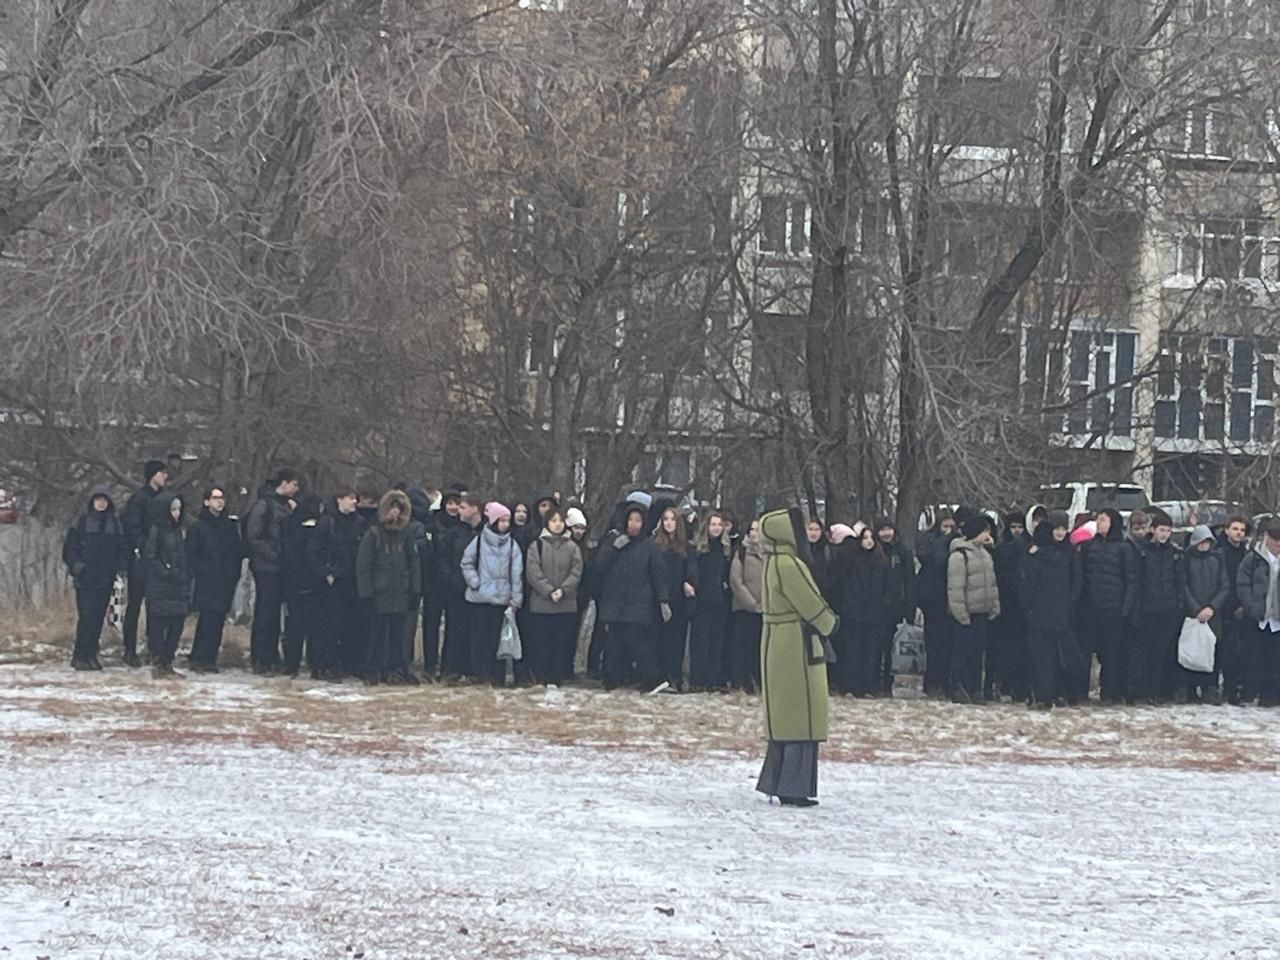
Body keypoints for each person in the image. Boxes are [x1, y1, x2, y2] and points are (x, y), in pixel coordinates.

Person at [754, 507, 840, 808]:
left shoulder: (772, 562)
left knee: (784, 716)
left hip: (779, 641)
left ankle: (777, 781)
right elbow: (809, 603)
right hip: (796, 642)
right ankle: (794, 787)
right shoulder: (789, 564)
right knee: (802, 716)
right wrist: (830, 623)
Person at [595, 502, 669, 691]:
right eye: (631, 520)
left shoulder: (649, 546)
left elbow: (658, 575)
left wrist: (663, 600)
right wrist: (614, 548)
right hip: (614, 602)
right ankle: (610, 680)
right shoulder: (614, 541)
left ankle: (652, 678)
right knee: (613, 642)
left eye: (638, 521)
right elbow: (599, 566)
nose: (634, 524)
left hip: (639, 603)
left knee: (636, 642)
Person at [356, 489, 421, 685]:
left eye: (399, 509)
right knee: (376, 634)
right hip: (379, 593)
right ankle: (373, 669)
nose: (395, 512)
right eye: (392, 508)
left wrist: (415, 590)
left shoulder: (407, 535)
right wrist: (366, 594)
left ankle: (396, 669)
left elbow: (414, 563)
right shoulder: (373, 534)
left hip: (401, 592)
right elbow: (363, 566)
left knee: (398, 635)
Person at [62, 483, 130, 670]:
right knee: (86, 616)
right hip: (85, 579)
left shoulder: (115, 524)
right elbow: (69, 550)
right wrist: (78, 568)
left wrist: (120, 568)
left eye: (104, 500)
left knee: (98, 617)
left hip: (106, 579)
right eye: (98, 499)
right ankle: (80, 655)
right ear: (92, 501)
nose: (101, 503)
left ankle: (91, 654)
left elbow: (122, 549)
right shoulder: (82, 522)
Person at [1021, 511, 1083, 709]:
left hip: (1040, 614)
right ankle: (1059, 693)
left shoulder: (1035, 558)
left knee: (1042, 657)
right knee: (1057, 656)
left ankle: (1045, 695)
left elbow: (1028, 588)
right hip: (1060, 614)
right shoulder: (1060, 558)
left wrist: (1027, 609)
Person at [461, 502, 523, 686]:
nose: (505, 524)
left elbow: (517, 573)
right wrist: (475, 582)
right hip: (480, 599)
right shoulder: (479, 541)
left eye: (507, 521)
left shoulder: (512, 544)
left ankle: (497, 677)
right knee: (480, 638)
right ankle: (479, 674)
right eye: (502, 520)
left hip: (502, 599)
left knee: (498, 639)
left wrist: (516, 598)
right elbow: (466, 562)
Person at [244, 468, 299, 675]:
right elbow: (254, 536)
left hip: (282, 567)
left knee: (276, 614)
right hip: (266, 567)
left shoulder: (286, 506)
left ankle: (272, 656)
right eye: (294, 484)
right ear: (283, 483)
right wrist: (274, 554)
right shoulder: (264, 505)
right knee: (265, 612)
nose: (296, 489)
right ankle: (260, 658)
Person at [1079, 508, 1134, 704]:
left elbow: (1130, 580)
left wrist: (1125, 608)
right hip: (1090, 608)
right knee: (1085, 651)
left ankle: (1108, 692)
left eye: (1103, 520)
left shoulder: (1123, 548)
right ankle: (1081, 692)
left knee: (1110, 653)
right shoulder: (1089, 546)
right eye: (1098, 520)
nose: (1099, 524)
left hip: (1113, 608)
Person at [186, 487, 243, 673]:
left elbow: (237, 552)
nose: (220, 501)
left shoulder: (229, 527)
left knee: (218, 620)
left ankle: (210, 658)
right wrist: (204, 571)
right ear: (206, 501)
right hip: (207, 580)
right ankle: (198, 658)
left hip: (226, 580)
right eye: (215, 498)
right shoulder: (198, 527)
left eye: (222, 498)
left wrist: (234, 574)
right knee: (206, 619)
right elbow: (191, 555)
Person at [1129, 510, 1183, 705]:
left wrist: (1177, 603)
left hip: (1168, 609)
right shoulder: (1142, 551)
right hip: (1147, 609)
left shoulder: (1174, 553)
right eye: (1161, 530)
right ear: (1153, 530)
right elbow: (1137, 581)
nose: (1165, 534)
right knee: (1143, 651)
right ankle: (1140, 690)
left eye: (1168, 531)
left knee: (1161, 652)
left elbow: (1179, 581)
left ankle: (1156, 690)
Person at [525, 507, 583, 685]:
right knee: (542, 643)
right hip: (542, 604)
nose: (557, 524)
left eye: (560, 521)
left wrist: (563, 590)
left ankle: (558, 676)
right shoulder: (537, 545)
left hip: (565, 604)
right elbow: (533, 571)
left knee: (561, 643)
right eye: (553, 521)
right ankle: (542, 675)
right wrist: (548, 590)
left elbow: (576, 571)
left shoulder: (572, 547)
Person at [946, 513, 1000, 704]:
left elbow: (992, 583)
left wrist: (994, 606)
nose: (987, 535)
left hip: (982, 611)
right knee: (962, 652)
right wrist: (961, 613)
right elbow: (955, 587)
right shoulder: (959, 556)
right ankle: (958, 686)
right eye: (984, 532)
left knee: (978, 653)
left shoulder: (985, 553)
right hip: (967, 612)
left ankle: (975, 688)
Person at [835, 525, 895, 698]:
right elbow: (843, 582)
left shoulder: (882, 562)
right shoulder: (853, 560)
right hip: (854, 612)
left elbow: (889, 586)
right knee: (853, 650)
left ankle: (867, 686)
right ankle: (849, 686)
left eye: (871, 538)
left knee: (871, 652)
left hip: (875, 613)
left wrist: (884, 603)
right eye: (865, 538)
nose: (868, 541)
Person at [120, 459, 169, 667]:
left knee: (156, 605)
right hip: (140, 558)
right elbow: (131, 528)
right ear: (152, 475)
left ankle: (154, 648)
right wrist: (144, 546)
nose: (165, 476)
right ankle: (129, 649)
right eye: (161, 473)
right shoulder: (139, 499)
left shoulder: (166, 498)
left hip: (160, 558)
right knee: (135, 604)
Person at [317, 488, 370, 678]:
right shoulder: (328, 522)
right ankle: (329, 664)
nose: (354, 502)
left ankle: (353, 663)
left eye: (355, 498)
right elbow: (315, 550)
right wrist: (327, 572)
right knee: (333, 624)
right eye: (350, 498)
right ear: (339, 500)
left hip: (355, 579)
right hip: (336, 580)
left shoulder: (360, 522)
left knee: (355, 623)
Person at [1180, 525, 1229, 704]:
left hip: (1212, 614)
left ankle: (1210, 688)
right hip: (1192, 613)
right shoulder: (1186, 560)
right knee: (1191, 650)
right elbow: (1184, 585)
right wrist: (1195, 609)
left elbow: (1224, 585)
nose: (1203, 545)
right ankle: (1190, 689)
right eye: (1200, 542)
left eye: (1207, 542)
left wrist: (1212, 607)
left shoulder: (1217, 559)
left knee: (1212, 650)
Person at [143, 494, 190, 679]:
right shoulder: (157, 530)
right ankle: (159, 662)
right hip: (160, 585)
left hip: (178, 585)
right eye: (173, 510)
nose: (176, 513)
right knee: (158, 626)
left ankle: (167, 662)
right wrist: (165, 571)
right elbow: (151, 556)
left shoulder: (180, 531)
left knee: (176, 626)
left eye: (179, 509)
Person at [281, 494, 328, 678]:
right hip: (314, 584)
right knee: (316, 627)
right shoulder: (318, 530)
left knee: (294, 626)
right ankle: (316, 665)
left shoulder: (291, 527)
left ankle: (291, 665)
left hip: (293, 584)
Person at [1235, 518, 1280, 707]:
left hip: (1277, 618)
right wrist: (1251, 606)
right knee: (1254, 656)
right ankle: (1249, 691)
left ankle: (1272, 694)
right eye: (1275, 540)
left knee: (1275, 658)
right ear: (1266, 537)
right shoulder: (1253, 558)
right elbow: (1242, 584)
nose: (1278, 545)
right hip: (1257, 616)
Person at [421, 485, 464, 678]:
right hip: (433, 582)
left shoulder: (462, 526)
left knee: (453, 626)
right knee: (431, 625)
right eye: (450, 503)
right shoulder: (432, 523)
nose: (453, 507)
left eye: (457, 504)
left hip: (455, 582)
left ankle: (449, 665)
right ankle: (430, 665)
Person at [440, 493, 484, 681]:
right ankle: (452, 669)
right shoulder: (454, 533)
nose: (459, 510)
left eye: (463, 507)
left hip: (481, 590)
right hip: (457, 589)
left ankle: (476, 669)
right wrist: (450, 577)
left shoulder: (486, 532)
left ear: (475, 509)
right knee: (455, 630)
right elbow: (443, 556)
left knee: (477, 631)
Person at [652, 506, 696, 692]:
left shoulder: (686, 547)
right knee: (660, 639)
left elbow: (692, 570)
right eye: (666, 519)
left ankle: (675, 677)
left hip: (679, 599)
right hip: (659, 598)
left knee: (677, 640)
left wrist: (689, 582)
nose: (669, 523)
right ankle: (661, 677)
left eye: (672, 520)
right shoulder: (655, 545)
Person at [689, 511, 733, 692]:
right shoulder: (698, 549)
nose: (716, 528)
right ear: (706, 527)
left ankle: (713, 679)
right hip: (701, 600)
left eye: (719, 525)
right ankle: (698, 679)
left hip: (720, 600)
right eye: (713, 524)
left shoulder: (726, 550)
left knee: (716, 641)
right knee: (700, 641)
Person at [917, 509, 957, 697]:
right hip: (932, 597)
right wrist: (943, 541)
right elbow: (932, 560)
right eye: (945, 526)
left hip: (949, 597)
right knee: (933, 643)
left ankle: (945, 682)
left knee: (949, 643)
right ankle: (932, 682)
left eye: (951, 526)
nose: (948, 530)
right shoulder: (928, 540)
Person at [874, 517, 915, 697]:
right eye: (882, 530)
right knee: (875, 645)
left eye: (889, 529)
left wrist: (909, 608)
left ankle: (887, 681)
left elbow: (909, 580)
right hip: (875, 605)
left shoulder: (902, 552)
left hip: (894, 606)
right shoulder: (874, 550)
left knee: (888, 646)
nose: (886, 534)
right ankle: (873, 679)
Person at [992, 512, 1030, 702]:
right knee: (1006, 648)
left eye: (1020, 527)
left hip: (1024, 605)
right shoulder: (1002, 548)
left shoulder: (1029, 547)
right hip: (1007, 604)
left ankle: (1020, 687)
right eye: (1013, 527)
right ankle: (1005, 685)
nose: (1016, 531)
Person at [729, 518, 766, 693]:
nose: (754, 533)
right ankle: (740, 680)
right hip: (744, 608)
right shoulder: (741, 552)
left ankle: (758, 680)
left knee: (759, 649)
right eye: (752, 530)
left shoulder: (769, 554)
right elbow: (736, 581)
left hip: (765, 609)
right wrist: (751, 603)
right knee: (742, 647)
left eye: (758, 530)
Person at [1216, 516, 1250, 704]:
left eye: (1242, 530)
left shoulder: (1246, 553)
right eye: (1235, 529)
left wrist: (1244, 604)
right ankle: (1224, 688)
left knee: (1239, 650)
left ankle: (1235, 687)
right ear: (1227, 529)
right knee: (1224, 650)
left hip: (1242, 606)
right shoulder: (1220, 551)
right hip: (1223, 606)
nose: (1239, 533)